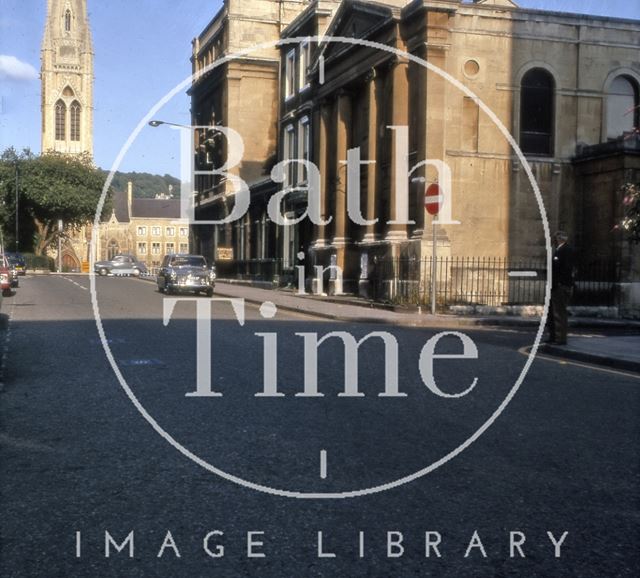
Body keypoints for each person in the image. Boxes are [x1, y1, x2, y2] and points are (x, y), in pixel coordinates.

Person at [546, 231, 574, 345]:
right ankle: (553, 336)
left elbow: (565, 269)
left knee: (559, 313)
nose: (553, 240)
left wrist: (559, 284)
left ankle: (560, 338)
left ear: (559, 239)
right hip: (556, 286)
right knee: (552, 313)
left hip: (560, 287)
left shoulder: (565, 250)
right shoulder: (559, 250)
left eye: (554, 238)